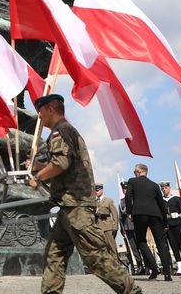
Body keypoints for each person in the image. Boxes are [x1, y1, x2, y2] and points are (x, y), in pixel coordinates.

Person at [29, 94, 141, 294]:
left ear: (51, 109)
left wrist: (38, 176)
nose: (39, 116)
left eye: (41, 111)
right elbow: (64, 164)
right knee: (54, 257)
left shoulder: (61, 131)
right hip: (67, 207)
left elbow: (60, 163)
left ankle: (132, 292)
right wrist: (40, 166)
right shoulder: (64, 131)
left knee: (96, 258)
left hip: (77, 207)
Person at [119, 182, 146, 274]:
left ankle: (148, 265)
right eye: (123, 189)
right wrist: (122, 229)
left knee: (142, 246)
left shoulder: (135, 199)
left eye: (126, 189)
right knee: (134, 249)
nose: (124, 190)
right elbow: (120, 217)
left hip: (137, 226)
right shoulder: (122, 201)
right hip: (128, 227)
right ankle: (140, 266)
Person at [160, 181, 181, 267]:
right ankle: (180, 266)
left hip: (178, 224)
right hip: (168, 226)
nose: (164, 190)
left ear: (169, 188)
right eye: (162, 188)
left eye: (165, 188)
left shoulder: (176, 199)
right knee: (174, 246)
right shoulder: (161, 201)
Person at [95, 184, 120, 255]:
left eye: (97, 190)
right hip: (98, 228)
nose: (96, 192)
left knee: (112, 247)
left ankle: (116, 264)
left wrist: (115, 227)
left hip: (108, 228)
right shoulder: (94, 202)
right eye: (95, 191)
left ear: (101, 190)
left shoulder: (108, 201)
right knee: (103, 249)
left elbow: (114, 214)